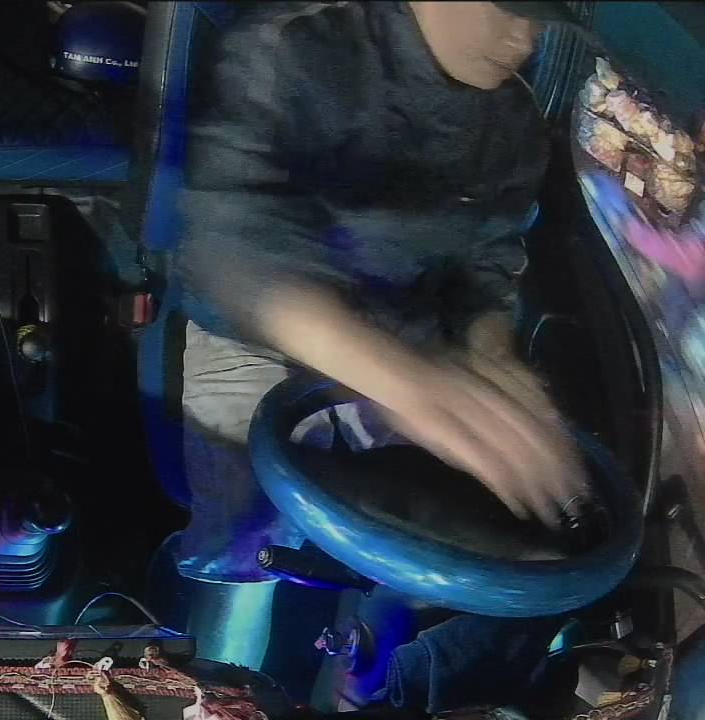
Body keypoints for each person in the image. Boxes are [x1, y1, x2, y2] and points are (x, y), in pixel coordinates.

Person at [173, 1, 590, 582]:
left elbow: (488, 261)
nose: (523, 39)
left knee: (469, 545)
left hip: (412, 348)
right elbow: (233, 245)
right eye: (506, 10)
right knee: (245, 536)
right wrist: (409, 385)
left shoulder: (514, 122)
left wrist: (489, 354)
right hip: (260, 342)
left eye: (537, 19)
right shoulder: (300, 47)